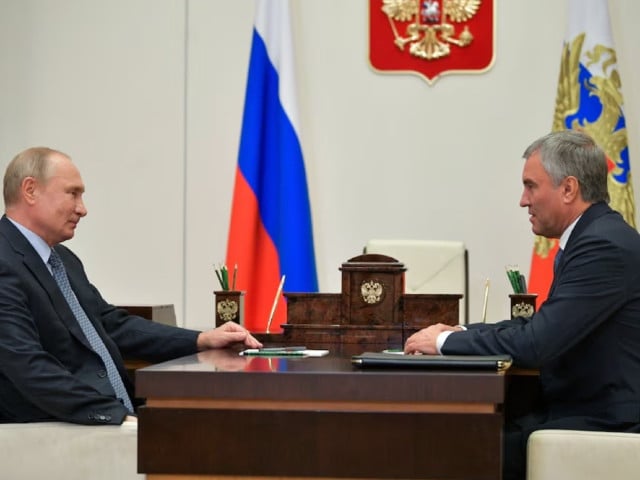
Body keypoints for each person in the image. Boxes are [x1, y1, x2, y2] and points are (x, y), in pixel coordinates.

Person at [404, 130, 640, 480]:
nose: (523, 200)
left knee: (448, 449)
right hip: (577, 408)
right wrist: (461, 332)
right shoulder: (595, 236)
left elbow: (535, 343)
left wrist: (443, 344)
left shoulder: (602, 247)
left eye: (531, 186)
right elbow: (542, 326)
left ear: (568, 189)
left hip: (603, 420)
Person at [0, 146, 262, 426]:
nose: (82, 209)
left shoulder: (63, 260)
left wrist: (200, 340)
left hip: (114, 418)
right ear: (30, 190)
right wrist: (116, 417)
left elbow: (110, 324)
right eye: (72, 193)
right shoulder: (5, 260)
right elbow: (27, 366)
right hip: (59, 433)